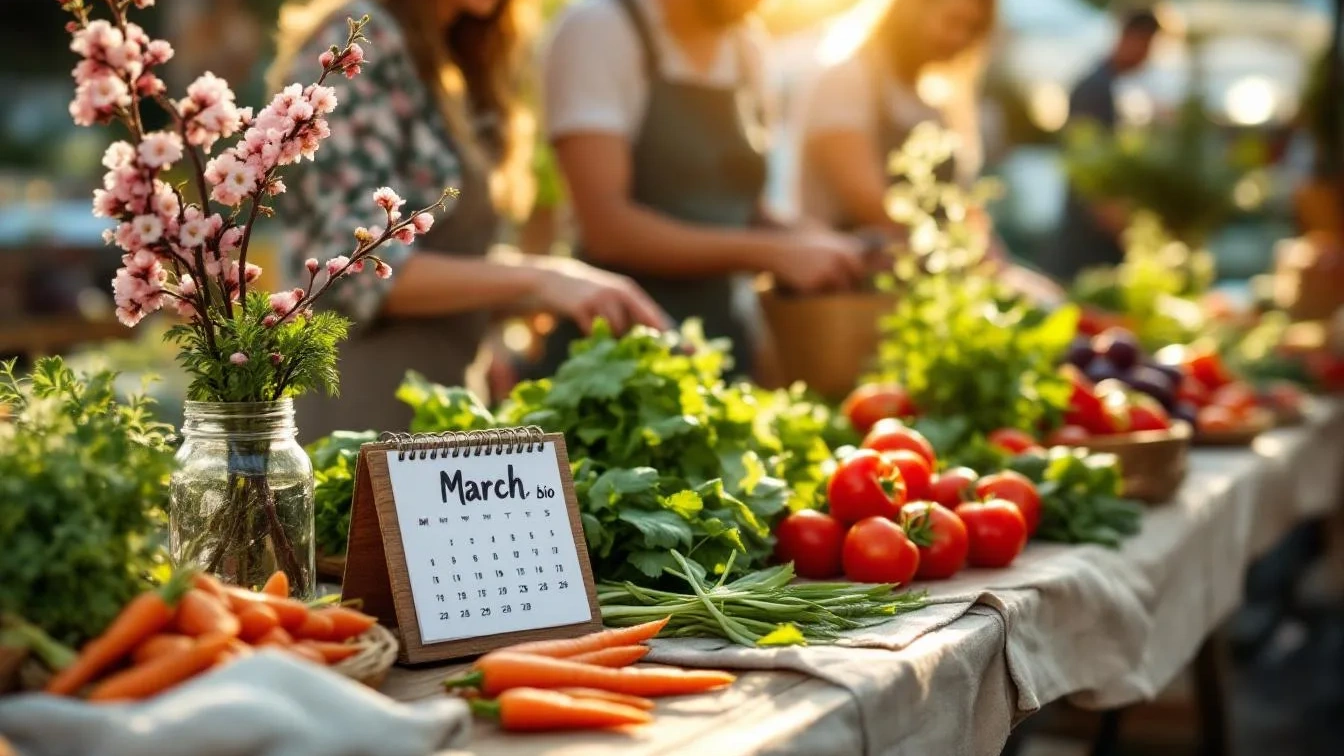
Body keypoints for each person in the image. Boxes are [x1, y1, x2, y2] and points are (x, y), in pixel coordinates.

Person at [271, 0, 669, 439]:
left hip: (442, 410)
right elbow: (355, 268)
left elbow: (442, 252)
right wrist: (541, 279)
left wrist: (522, 305)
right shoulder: (357, 43)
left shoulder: (458, 53)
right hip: (358, 414)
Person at [537, 0, 870, 377]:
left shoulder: (747, 49)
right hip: (617, 356)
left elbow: (746, 209)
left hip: (722, 347)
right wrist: (773, 254)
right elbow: (607, 228)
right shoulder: (599, 29)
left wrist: (817, 243)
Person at [799, 0, 995, 231]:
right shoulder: (848, 79)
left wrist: (993, 256)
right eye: (952, 21)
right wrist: (950, 246)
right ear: (909, 10)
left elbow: (959, 204)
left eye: (972, 29)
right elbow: (868, 202)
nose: (958, 38)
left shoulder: (933, 102)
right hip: (847, 260)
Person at [1049, 10, 1161, 281]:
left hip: (1091, 237)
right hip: (1087, 243)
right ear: (1129, 38)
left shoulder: (1107, 86)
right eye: (1148, 46)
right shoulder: (1094, 90)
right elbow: (1088, 172)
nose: (1149, 56)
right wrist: (1126, 233)